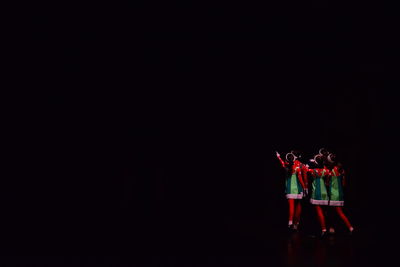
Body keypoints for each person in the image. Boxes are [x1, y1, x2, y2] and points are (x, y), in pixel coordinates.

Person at [276, 151, 306, 230]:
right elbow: (300, 178)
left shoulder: (285, 166)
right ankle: (296, 223)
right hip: (298, 188)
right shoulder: (297, 166)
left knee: (291, 206)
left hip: (290, 189)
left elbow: (282, 161)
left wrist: (278, 156)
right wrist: (305, 188)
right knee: (298, 205)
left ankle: (290, 222)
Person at [326, 153, 354, 234]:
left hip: (333, 194)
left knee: (331, 212)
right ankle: (349, 227)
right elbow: (344, 184)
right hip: (340, 193)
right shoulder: (342, 171)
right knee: (338, 212)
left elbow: (327, 184)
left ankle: (334, 228)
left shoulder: (331, 170)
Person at [306, 154, 330, 237]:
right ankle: (328, 227)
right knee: (325, 211)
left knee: (319, 211)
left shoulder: (313, 171)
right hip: (324, 192)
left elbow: (305, 168)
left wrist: (310, 161)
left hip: (317, 192)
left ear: (316, 162)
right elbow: (328, 175)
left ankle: (324, 229)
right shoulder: (325, 171)